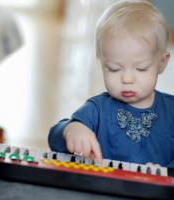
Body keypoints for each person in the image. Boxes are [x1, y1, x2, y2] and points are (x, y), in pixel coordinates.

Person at [48, 0, 173, 168]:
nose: (127, 79)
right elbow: (54, 139)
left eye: (141, 69)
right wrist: (71, 130)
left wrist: (165, 173)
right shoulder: (97, 109)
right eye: (114, 69)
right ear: (102, 63)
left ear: (162, 63)